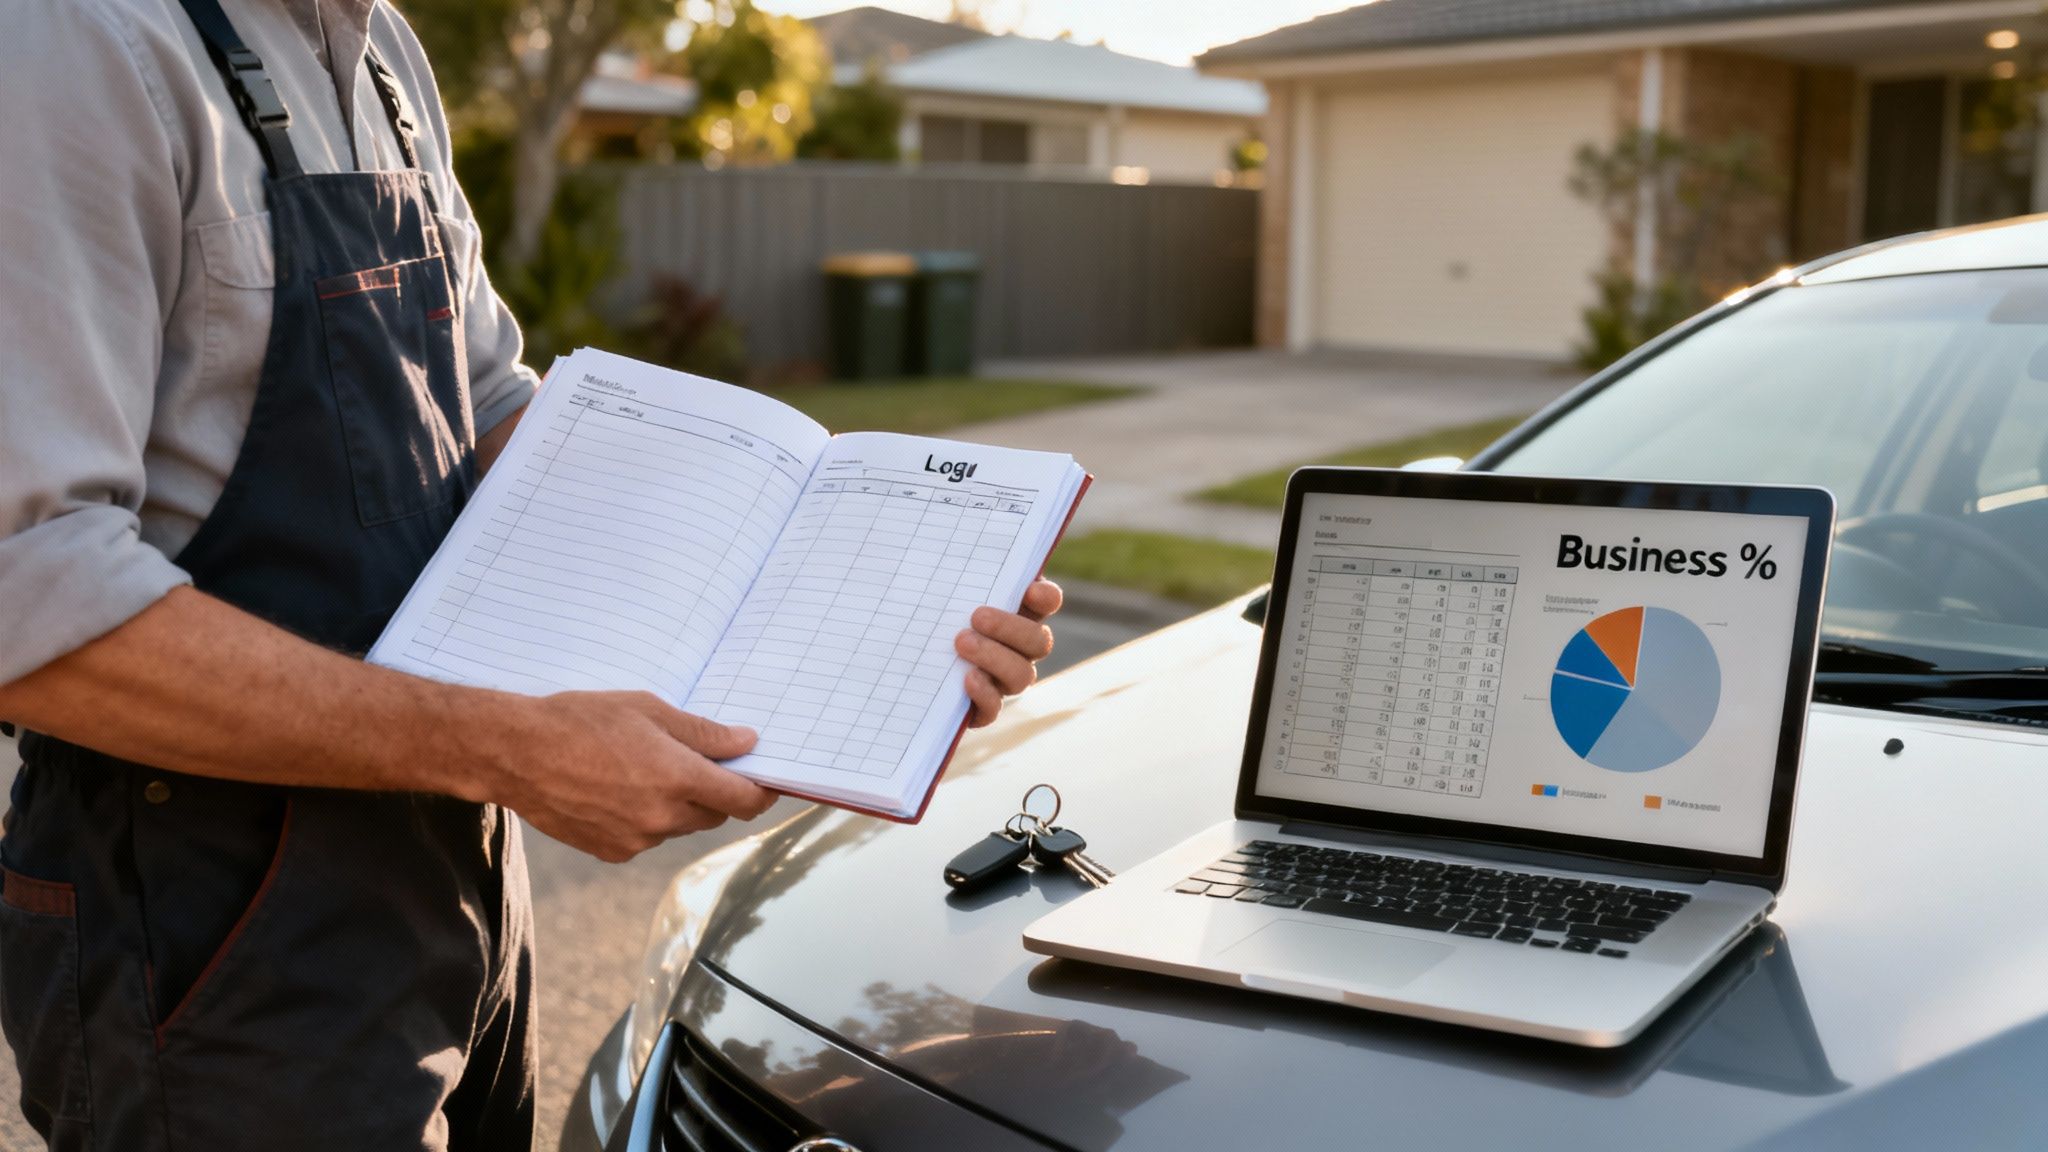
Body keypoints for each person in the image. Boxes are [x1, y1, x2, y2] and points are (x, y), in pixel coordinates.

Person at [0, 1, 1062, 1148]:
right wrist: (506, 746)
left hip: (454, 871)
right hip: (207, 929)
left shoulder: (385, 55)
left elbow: (491, 412)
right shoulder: (74, 44)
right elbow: (27, 584)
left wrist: (862, 596)